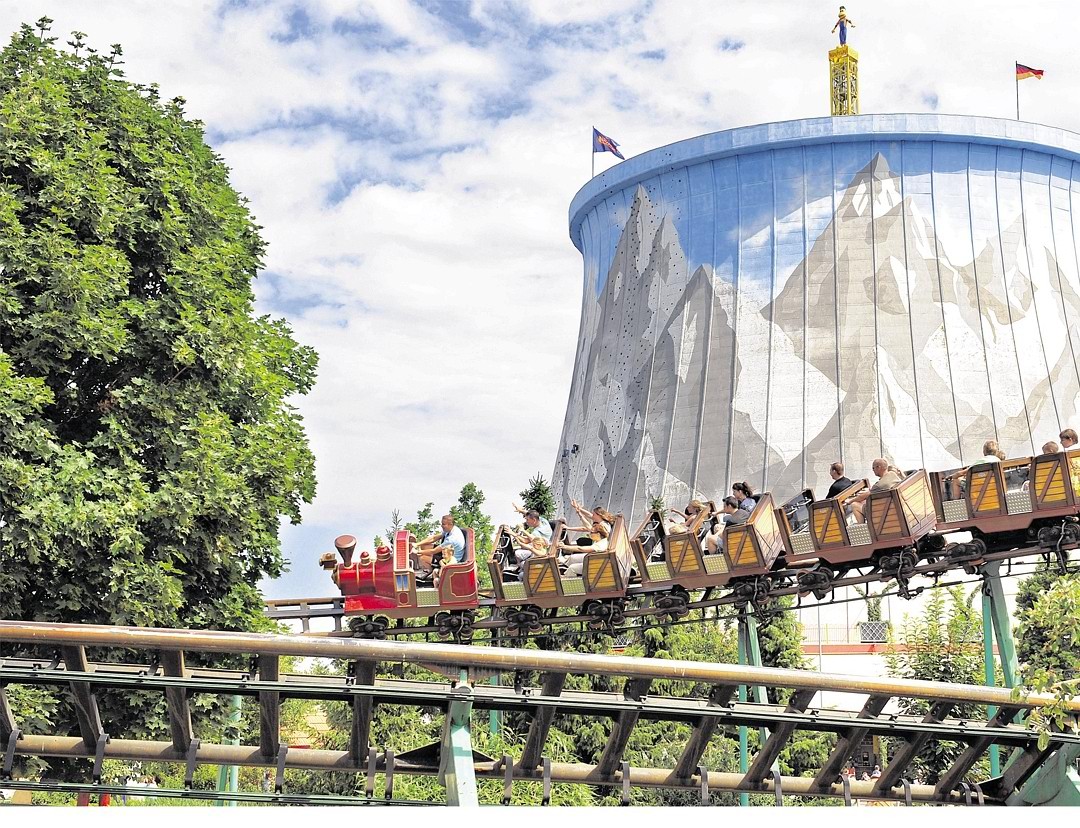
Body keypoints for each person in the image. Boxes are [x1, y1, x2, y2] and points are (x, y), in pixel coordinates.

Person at [413, 515, 466, 581]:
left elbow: (433, 551)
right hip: (446, 551)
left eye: (443, 524)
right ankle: (431, 567)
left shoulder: (452, 539)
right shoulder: (451, 529)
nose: (441, 525)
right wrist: (417, 544)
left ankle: (431, 571)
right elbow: (434, 538)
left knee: (422, 557)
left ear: (450, 524)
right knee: (424, 546)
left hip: (451, 558)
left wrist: (417, 552)